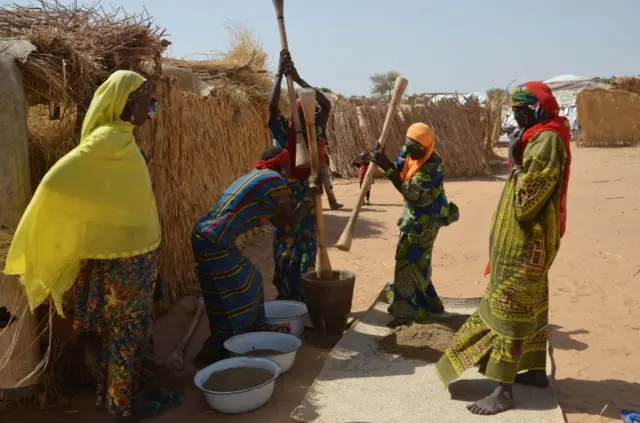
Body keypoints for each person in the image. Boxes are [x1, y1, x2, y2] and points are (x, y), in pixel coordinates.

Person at [4, 70, 179, 419]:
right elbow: (58, 179)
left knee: (130, 331)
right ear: (127, 105)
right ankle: (121, 405)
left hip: (135, 255)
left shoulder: (123, 141)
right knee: (124, 333)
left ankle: (115, 395)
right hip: (123, 263)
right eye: (146, 101)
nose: (152, 108)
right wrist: (43, 218)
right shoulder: (106, 143)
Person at [435, 81, 572, 416]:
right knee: (531, 305)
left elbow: (528, 202)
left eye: (521, 112)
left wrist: (515, 159)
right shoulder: (538, 137)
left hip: (528, 246)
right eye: (513, 112)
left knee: (509, 311)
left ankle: (503, 390)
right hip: (524, 244)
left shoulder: (548, 141)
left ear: (538, 109)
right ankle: (535, 371)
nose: (516, 119)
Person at [192, 147, 319, 367]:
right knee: (249, 286)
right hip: (217, 240)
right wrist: (309, 197)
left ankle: (213, 350)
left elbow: (279, 222)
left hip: (201, 236)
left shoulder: (258, 177)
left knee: (219, 297)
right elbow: (288, 223)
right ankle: (245, 349)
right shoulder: (275, 182)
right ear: (283, 165)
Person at [372, 123, 459, 322]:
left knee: (407, 261)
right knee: (418, 261)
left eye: (415, 148)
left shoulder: (432, 167)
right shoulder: (411, 152)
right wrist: (381, 159)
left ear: (426, 147)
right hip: (415, 219)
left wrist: (385, 166)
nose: (410, 151)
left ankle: (407, 311)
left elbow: (410, 193)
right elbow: (398, 166)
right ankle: (429, 302)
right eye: (408, 146)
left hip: (426, 222)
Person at [268, 50, 331, 301]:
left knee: (305, 252)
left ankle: (301, 301)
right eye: (306, 114)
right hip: (287, 197)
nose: (312, 117)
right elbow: (272, 107)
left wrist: (299, 78)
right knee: (285, 252)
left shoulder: (316, 131)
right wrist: (279, 76)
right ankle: (286, 298)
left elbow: (325, 104)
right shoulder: (286, 132)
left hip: (309, 192)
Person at [319, 142, 343, 210]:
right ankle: (332, 204)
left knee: (326, 186)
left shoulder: (319, 140)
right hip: (319, 165)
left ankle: (331, 204)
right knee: (326, 186)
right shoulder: (319, 140)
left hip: (320, 164)